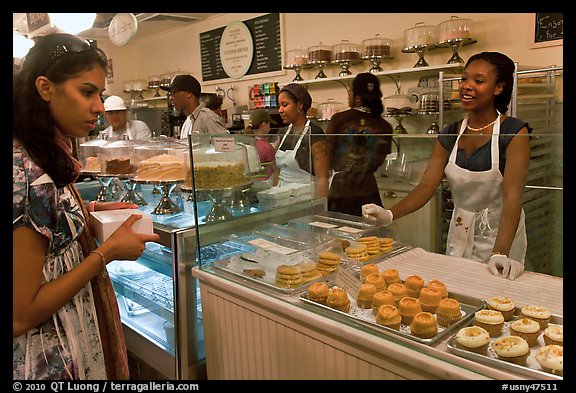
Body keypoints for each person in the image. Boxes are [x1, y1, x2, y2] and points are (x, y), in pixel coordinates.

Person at [13, 33, 160, 380]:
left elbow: (43, 222)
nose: (99, 107)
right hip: (51, 359)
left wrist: (87, 209)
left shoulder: (45, 149)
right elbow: (19, 314)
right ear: (45, 88)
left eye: (101, 94)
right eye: (87, 92)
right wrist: (105, 253)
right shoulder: (27, 172)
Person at [362, 52, 531, 281]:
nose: (466, 86)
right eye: (464, 79)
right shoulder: (451, 133)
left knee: (496, 296)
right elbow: (426, 186)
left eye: (478, 81)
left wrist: (499, 252)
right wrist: (390, 214)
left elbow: (512, 199)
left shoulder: (513, 132)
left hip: (500, 233)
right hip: (461, 229)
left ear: (498, 88)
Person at [325, 72, 393, 216]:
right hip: (369, 190)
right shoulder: (385, 126)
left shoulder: (339, 119)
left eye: (350, 91)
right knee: (371, 234)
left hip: (341, 191)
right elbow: (379, 161)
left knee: (340, 233)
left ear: (357, 98)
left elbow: (327, 155)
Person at [276, 83, 330, 197]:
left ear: (299, 105)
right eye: (279, 105)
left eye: (285, 105)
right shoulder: (283, 133)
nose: (280, 110)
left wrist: (320, 209)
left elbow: (322, 178)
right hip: (282, 198)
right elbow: (278, 171)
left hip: (305, 199)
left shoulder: (314, 133)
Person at [161, 74, 228, 139]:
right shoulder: (187, 122)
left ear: (189, 94)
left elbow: (226, 147)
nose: (171, 97)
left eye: (174, 93)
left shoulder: (208, 119)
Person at [243, 108, 280, 186]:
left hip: (250, 182)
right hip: (266, 183)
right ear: (264, 124)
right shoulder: (266, 147)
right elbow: (276, 169)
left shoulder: (246, 142)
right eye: (269, 123)